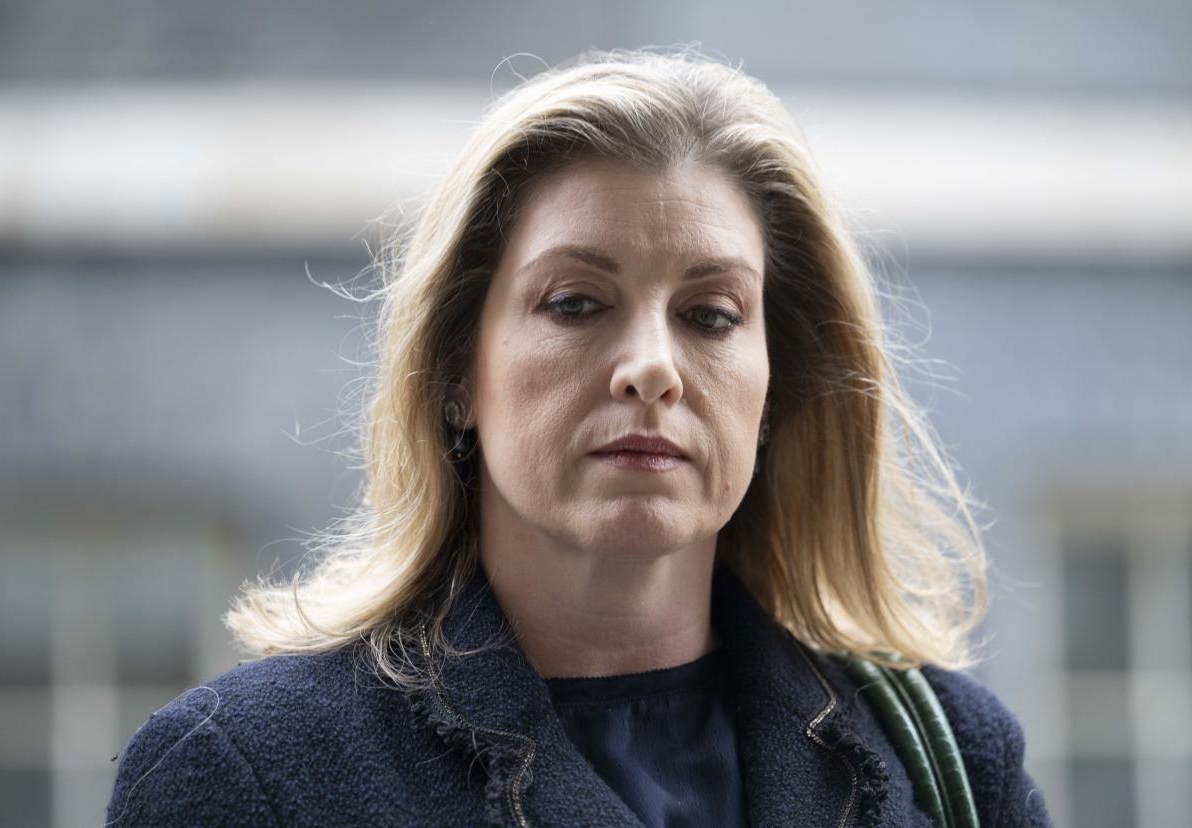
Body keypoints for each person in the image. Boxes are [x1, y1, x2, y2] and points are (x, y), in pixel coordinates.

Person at [105, 48, 1051, 827]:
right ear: (454, 374)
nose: (652, 367)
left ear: (779, 389)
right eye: (576, 303)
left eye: (712, 314)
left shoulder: (954, 762)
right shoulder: (249, 778)